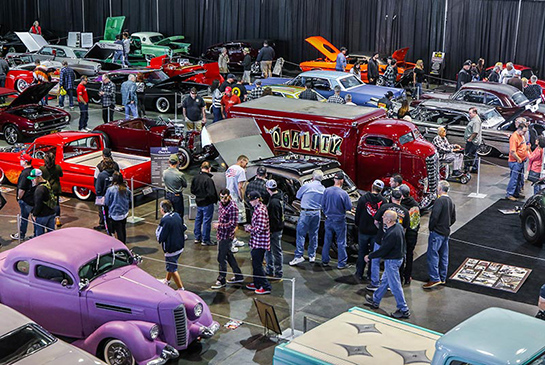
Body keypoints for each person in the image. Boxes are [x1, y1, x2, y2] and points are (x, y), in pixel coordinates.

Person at [364, 210, 411, 319]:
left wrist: (370, 256)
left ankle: (404, 309)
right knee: (385, 281)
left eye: (384, 216)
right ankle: (375, 300)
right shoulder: (398, 227)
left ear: (389, 220)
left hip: (392, 261)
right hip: (397, 258)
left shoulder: (391, 234)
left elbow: (383, 250)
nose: (382, 217)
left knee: (395, 286)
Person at [367, 190, 409, 291]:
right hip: (395, 241)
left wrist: (382, 230)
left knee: (375, 260)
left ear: (391, 197)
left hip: (381, 238)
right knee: (390, 263)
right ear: (401, 198)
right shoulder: (405, 211)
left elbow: (376, 221)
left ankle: (375, 283)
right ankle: (389, 283)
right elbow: (404, 228)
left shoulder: (385, 207)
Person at [423, 180, 456, 289]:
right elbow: (453, 218)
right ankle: (442, 277)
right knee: (444, 256)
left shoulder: (439, 201)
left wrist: (432, 228)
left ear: (440, 189)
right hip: (446, 232)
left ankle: (434, 278)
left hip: (437, 233)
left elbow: (434, 217)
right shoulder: (451, 201)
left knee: (432, 255)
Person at [290, 170, 325, 266]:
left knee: (301, 234)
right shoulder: (323, 189)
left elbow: (297, 196)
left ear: (312, 177)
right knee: (314, 234)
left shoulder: (307, 186)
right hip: (317, 213)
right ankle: (312, 255)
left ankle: (298, 256)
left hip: (306, 212)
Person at [211, 189, 244, 289]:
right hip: (221, 235)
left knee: (221, 258)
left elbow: (233, 224)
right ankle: (238, 275)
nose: (223, 200)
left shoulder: (233, 207)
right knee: (229, 255)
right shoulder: (221, 204)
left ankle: (222, 279)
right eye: (221, 197)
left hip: (227, 236)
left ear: (229, 196)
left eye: (225, 197)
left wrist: (219, 226)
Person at [355, 179, 386, 281]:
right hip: (376, 233)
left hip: (363, 231)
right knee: (373, 254)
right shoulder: (384, 202)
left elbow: (357, 215)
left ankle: (359, 273)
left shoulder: (363, 199)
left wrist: (358, 226)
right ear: (381, 190)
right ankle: (370, 275)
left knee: (361, 252)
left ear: (372, 186)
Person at [321, 171, 353, 269]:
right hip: (339, 221)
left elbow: (322, 204)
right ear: (342, 180)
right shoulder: (343, 194)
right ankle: (341, 263)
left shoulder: (327, 191)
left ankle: (325, 260)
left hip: (328, 219)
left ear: (334, 180)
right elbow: (348, 207)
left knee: (327, 241)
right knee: (341, 242)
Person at [244, 191, 272, 295]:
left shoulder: (260, 211)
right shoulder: (258, 208)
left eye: (251, 200)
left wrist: (249, 228)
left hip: (260, 242)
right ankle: (257, 283)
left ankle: (265, 286)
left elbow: (261, 227)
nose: (250, 202)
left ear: (257, 199)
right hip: (257, 241)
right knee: (255, 263)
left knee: (257, 264)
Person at [156, 199, 186, 289]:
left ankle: (181, 289)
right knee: (171, 264)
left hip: (171, 248)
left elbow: (160, 237)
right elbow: (184, 227)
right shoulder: (177, 215)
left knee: (172, 268)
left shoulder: (165, 220)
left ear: (162, 209)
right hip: (180, 245)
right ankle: (167, 280)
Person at [191, 161, 218, 246]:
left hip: (199, 202)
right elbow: (211, 193)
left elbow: (192, 190)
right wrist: (215, 200)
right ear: (209, 168)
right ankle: (205, 239)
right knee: (206, 221)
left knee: (198, 220)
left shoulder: (195, 178)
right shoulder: (208, 180)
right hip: (207, 203)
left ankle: (197, 237)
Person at [398, 184, 420, 285]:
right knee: (410, 255)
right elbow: (416, 223)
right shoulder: (415, 205)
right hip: (412, 234)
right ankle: (407, 277)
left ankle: (399, 276)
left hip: (403, 235)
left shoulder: (400, 206)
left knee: (401, 255)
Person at [10, 154, 35, 240]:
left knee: (24, 218)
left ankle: (21, 234)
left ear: (25, 161)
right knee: (34, 218)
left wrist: (19, 198)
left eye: (21, 160)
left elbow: (22, 189)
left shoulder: (24, 174)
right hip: (33, 199)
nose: (20, 161)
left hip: (26, 200)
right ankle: (36, 234)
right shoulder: (33, 170)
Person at [93, 149, 120, 230]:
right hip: (115, 193)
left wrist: (98, 193)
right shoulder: (115, 165)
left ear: (103, 155)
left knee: (102, 210)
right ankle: (113, 223)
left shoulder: (99, 167)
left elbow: (95, 180)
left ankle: (103, 224)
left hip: (103, 194)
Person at [265, 179, 284, 279]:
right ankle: (272, 270)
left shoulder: (273, 202)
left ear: (268, 189)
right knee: (274, 251)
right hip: (278, 229)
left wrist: (270, 230)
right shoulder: (279, 198)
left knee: (275, 251)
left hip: (274, 231)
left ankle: (277, 272)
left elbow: (274, 219)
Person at [29, 169, 56, 236]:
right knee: (52, 234)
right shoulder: (47, 183)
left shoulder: (39, 189)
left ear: (39, 177)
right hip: (51, 212)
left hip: (42, 216)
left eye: (33, 178)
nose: (32, 180)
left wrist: (34, 214)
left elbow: (38, 204)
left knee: (39, 236)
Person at [104, 172, 130, 243]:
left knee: (118, 231)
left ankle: (121, 246)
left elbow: (106, 202)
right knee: (122, 229)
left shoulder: (110, 189)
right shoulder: (126, 188)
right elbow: (130, 199)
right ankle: (123, 243)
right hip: (124, 212)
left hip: (114, 214)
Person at [506, 123, 529, 201]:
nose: (525, 133)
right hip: (515, 161)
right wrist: (518, 158)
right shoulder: (514, 137)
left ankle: (516, 193)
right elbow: (512, 151)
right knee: (514, 178)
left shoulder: (521, 136)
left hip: (521, 160)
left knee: (519, 178)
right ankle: (509, 194)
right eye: (524, 131)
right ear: (519, 129)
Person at [39, 152, 63, 228]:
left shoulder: (42, 169)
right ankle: (57, 219)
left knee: (46, 203)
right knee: (56, 203)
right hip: (55, 187)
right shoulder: (58, 167)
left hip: (46, 188)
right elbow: (61, 175)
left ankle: (48, 219)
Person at [225, 155, 248, 230]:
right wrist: (242, 198)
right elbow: (240, 187)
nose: (246, 165)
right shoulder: (241, 170)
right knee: (235, 220)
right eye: (246, 163)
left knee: (229, 218)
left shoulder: (229, 169)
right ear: (242, 161)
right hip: (235, 196)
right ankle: (234, 238)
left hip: (228, 195)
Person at [464, 107, 482, 173]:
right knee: (474, 155)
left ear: (474, 113)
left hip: (473, 142)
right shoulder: (474, 120)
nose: (469, 115)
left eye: (470, 113)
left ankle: (467, 168)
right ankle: (475, 168)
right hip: (473, 141)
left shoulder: (476, 121)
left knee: (469, 155)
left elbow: (475, 132)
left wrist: (470, 139)